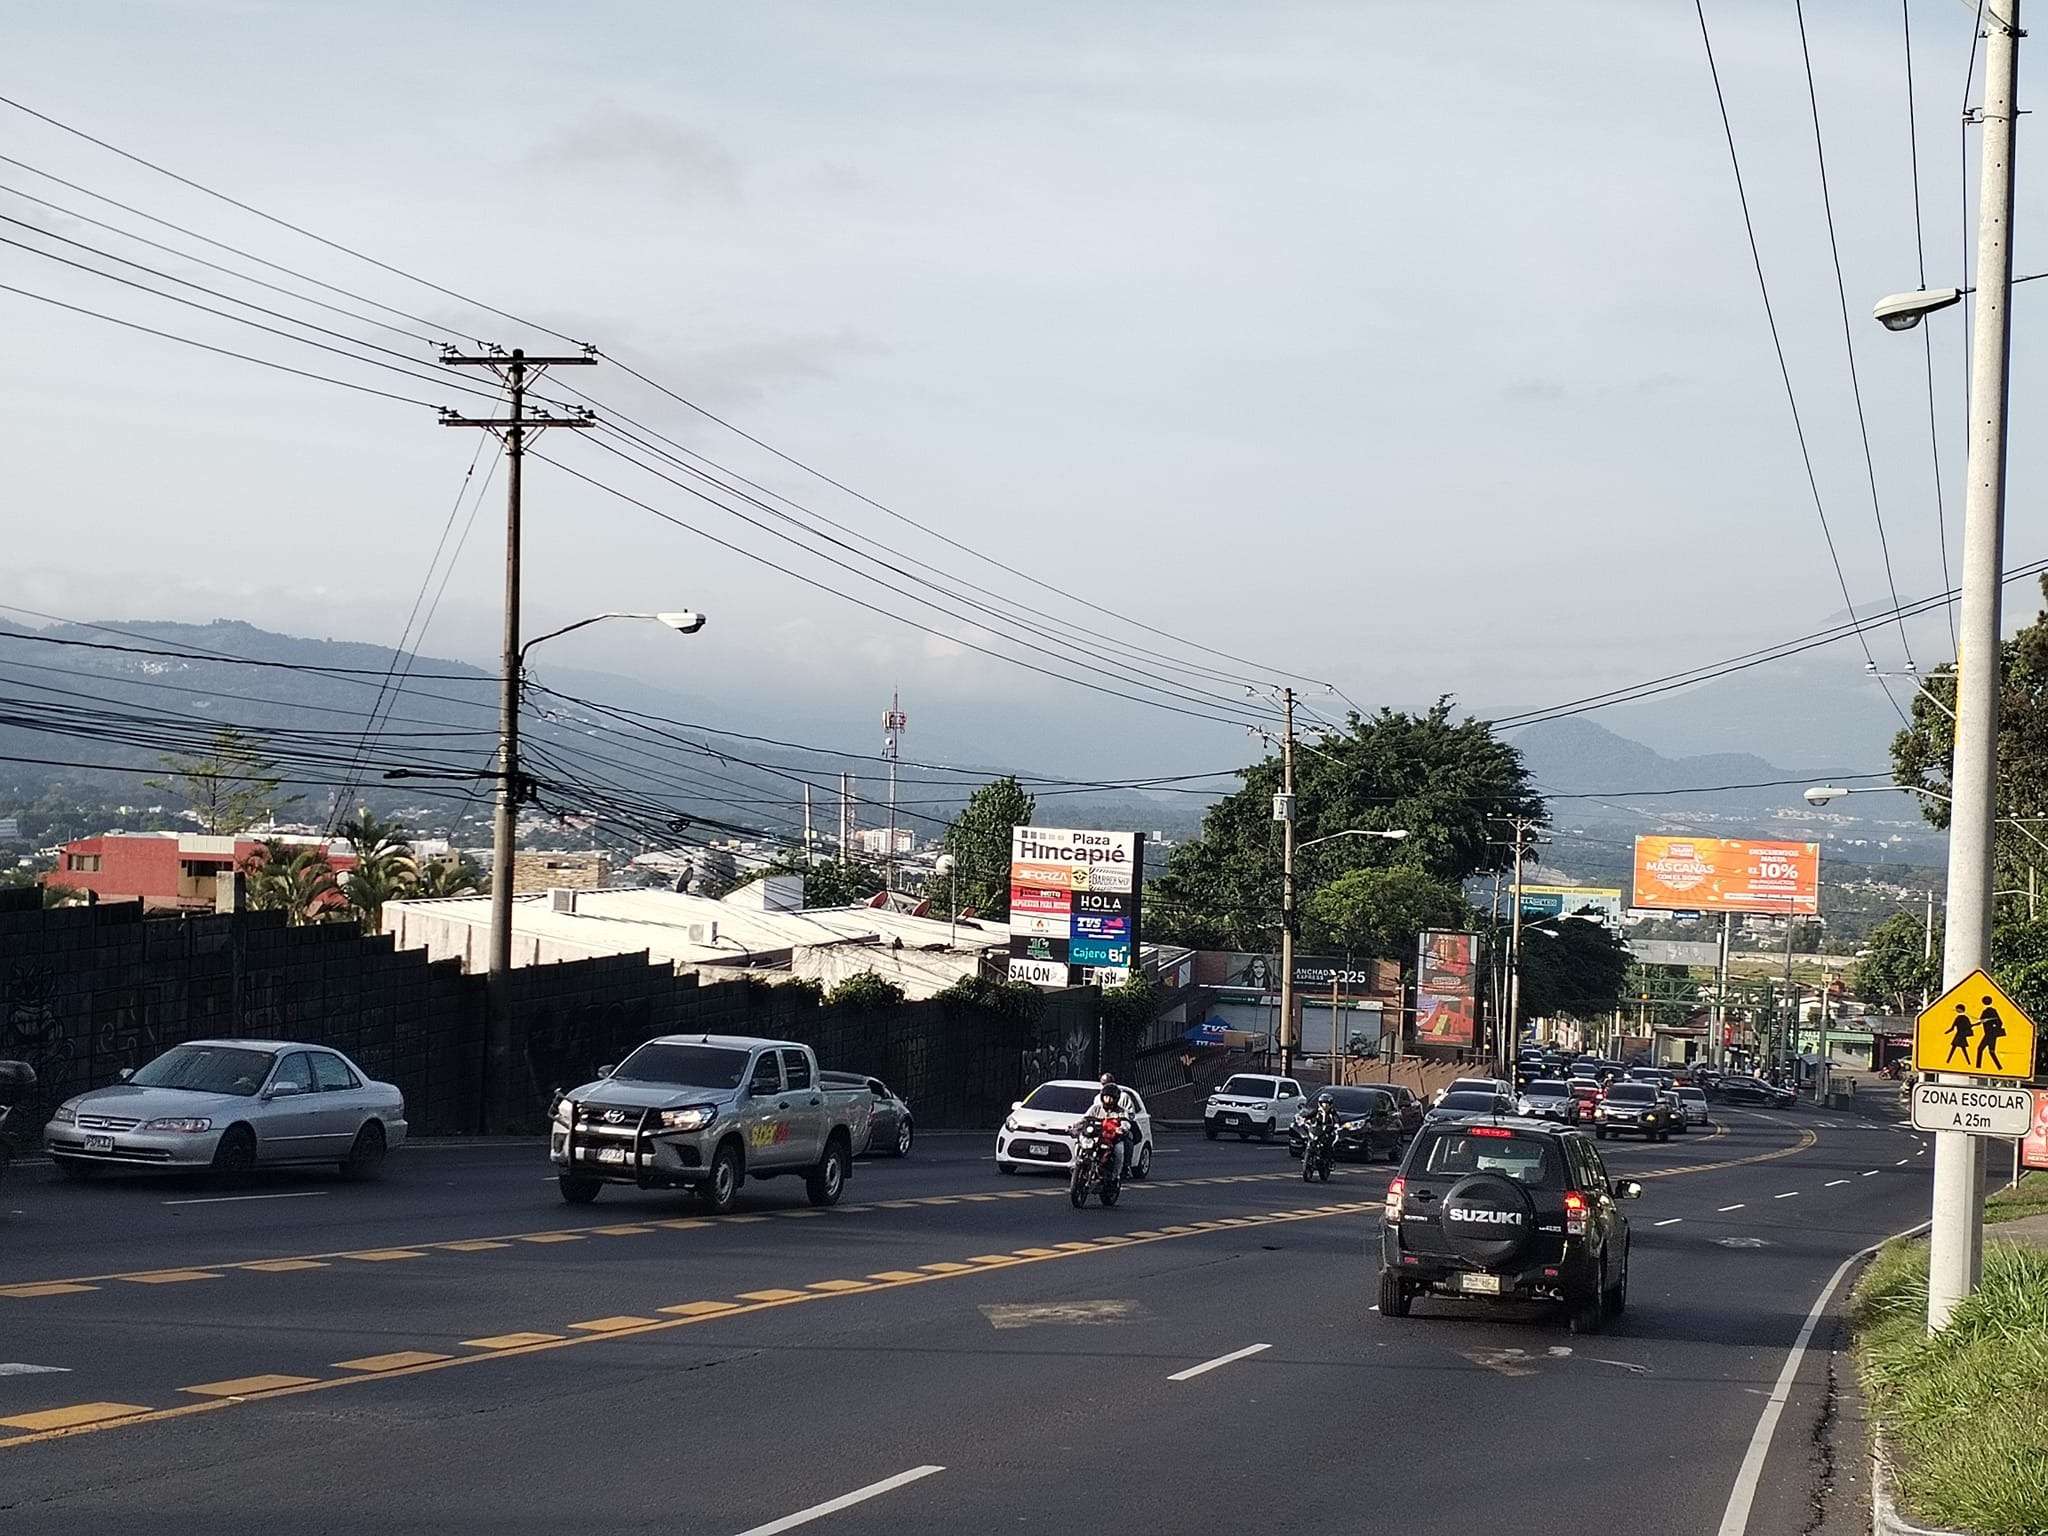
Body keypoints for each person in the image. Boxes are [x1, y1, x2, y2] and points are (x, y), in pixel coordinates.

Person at [1082, 1074, 1132, 1178]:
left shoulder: (1121, 1107)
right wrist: (1075, 1126)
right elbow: (1085, 1118)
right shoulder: (1096, 1107)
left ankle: (1116, 1175)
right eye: (1103, 1083)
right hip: (1097, 1134)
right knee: (1081, 1142)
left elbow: (1126, 1120)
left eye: (1111, 1098)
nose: (1108, 1100)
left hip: (1113, 1138)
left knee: (1119, 1150)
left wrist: (1122, 1128)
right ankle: (1078, 1164)